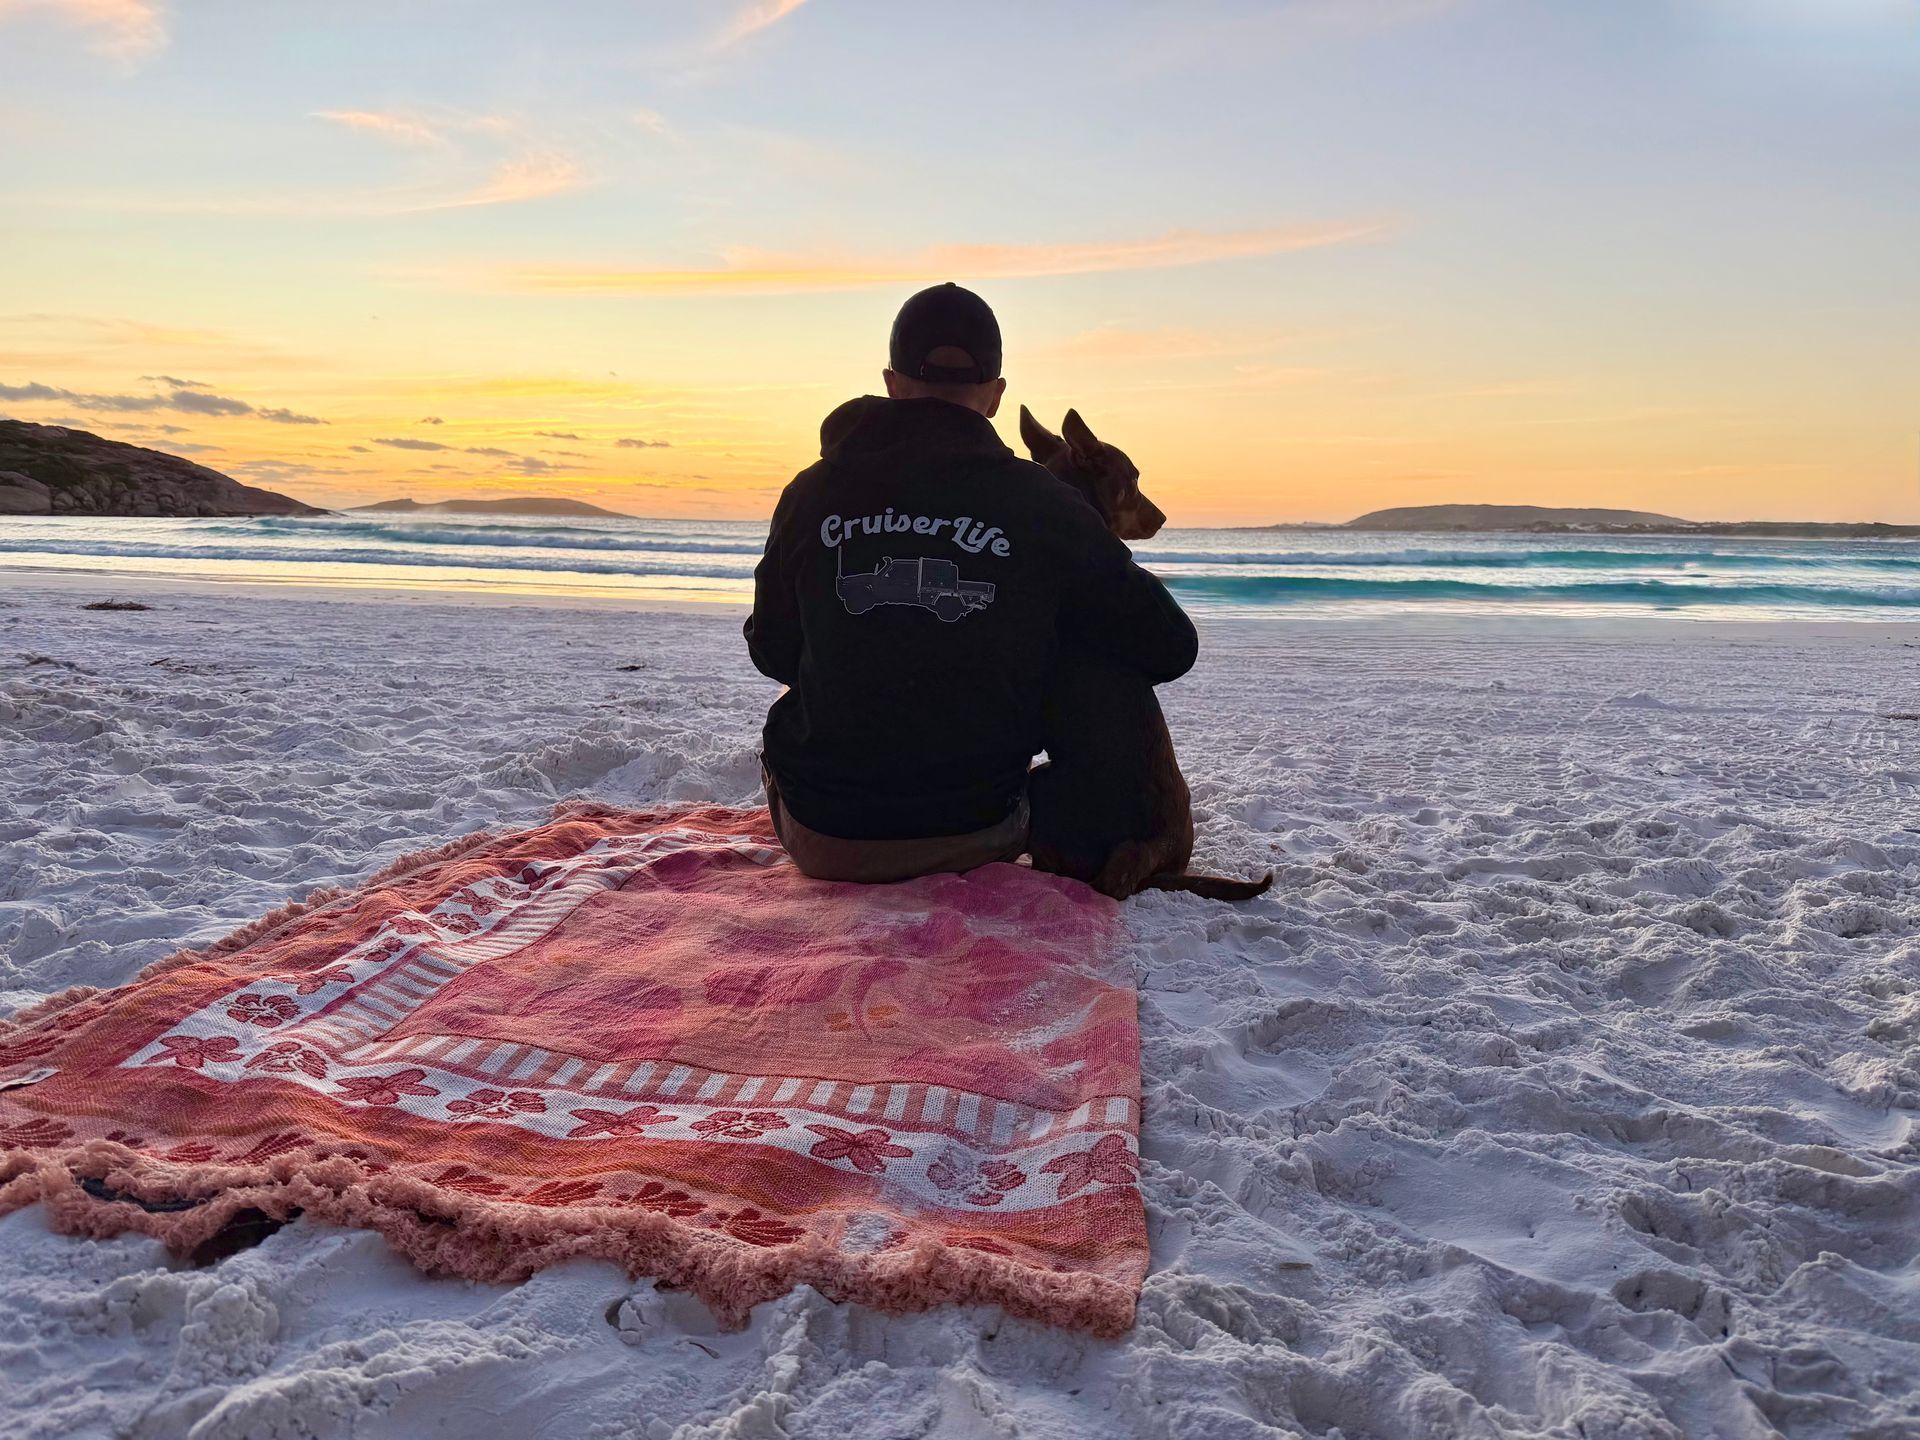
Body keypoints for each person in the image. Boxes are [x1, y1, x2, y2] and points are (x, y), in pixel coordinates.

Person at [744, 282, 1197, 883]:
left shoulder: (811, 492)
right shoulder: (1047, 506)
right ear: (995, 396)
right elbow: (1171, 647)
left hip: (825, 838)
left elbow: (773, 652)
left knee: (798, 687)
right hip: (979, 832)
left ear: (892, 381)